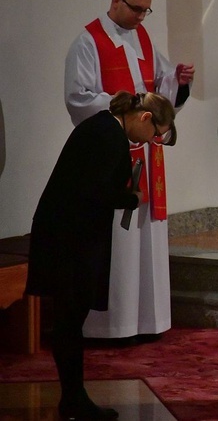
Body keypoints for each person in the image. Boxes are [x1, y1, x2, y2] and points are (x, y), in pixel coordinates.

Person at [26, 92, 177, 420]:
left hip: (65, 237)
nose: (152, 140)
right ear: (144, 118)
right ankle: (73, 400)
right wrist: (130, 199)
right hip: (69, 242)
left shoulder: (103, 128)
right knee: (68, 322)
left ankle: (73, 398)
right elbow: (94, 192)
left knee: (69, 322)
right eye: (154, 133)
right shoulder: (109, 136)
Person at [64, 0, 194, 340]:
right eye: (136, 8)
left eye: (146, 10)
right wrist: (125, 107)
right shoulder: (88, 41)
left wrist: (179, 83)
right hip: (111, 150)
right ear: (116, 0)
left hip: (146, 153)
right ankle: (112, 326)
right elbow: (78, 98)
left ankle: (145, 322)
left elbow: (160, 85)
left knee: (144, 235)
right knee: (118, 238)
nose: (141, 16)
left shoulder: (143, 38)